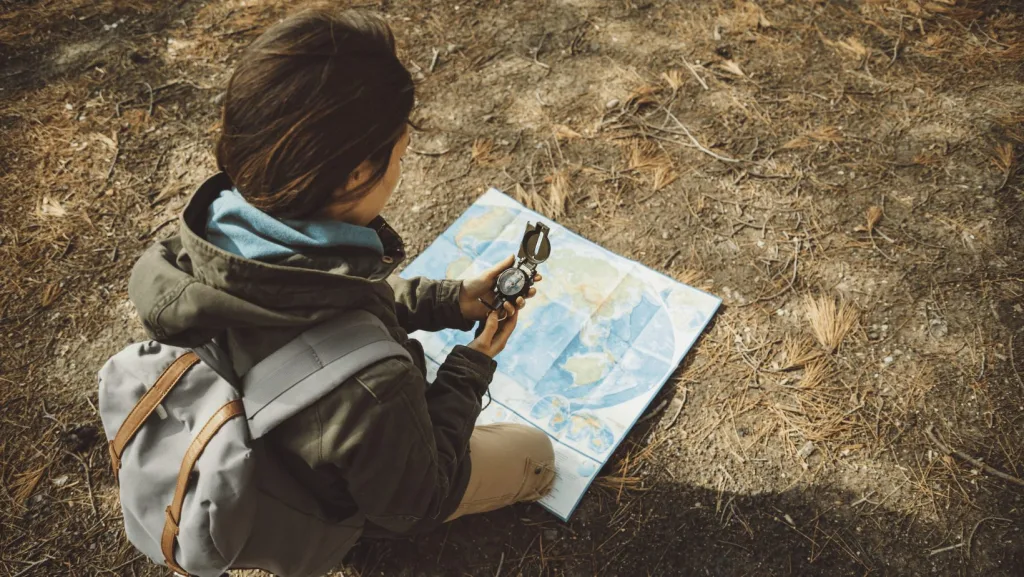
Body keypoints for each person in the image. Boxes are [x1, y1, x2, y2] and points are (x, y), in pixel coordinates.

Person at [126, 5, 555, 559]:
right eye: (399, 154)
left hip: (271, 432)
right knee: (536, 451)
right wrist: (468, 371)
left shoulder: (215, 242)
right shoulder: (375, 388)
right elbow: (414, 504)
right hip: (340, 491)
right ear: (356, 173)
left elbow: (322, 310)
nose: (400, 169)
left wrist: (447, 301)